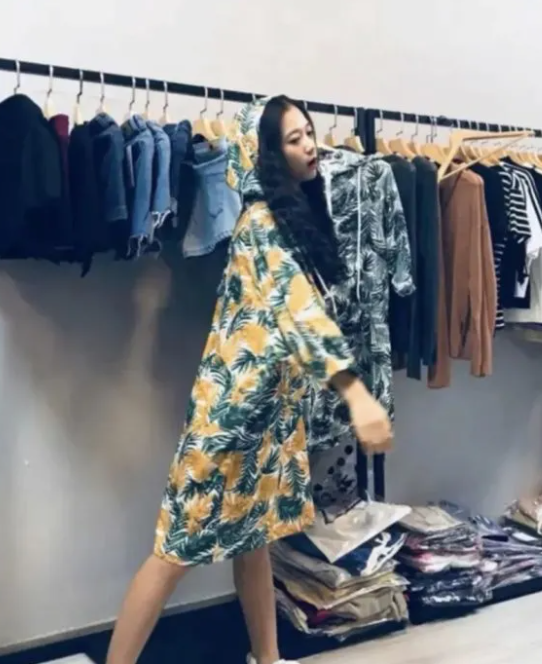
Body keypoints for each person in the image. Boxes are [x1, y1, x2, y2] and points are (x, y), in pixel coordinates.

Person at [105, 95, 394, 664]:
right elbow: (299, 312)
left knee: (255, 539)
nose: (310, 145)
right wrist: (356, 394)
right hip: (232, 420)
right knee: (174, 551)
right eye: (293, 139)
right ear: (265, 154)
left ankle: (267, 657)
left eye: (309, 132)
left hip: (270, 421)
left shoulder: (289, 221)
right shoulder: (262, 225)